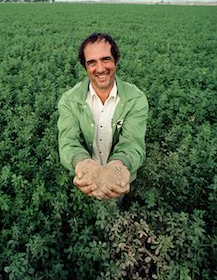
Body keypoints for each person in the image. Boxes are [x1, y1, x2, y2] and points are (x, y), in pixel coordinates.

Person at [57, 32, 148, 201]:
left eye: (105, 59)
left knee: (114, 206)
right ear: (85, 66)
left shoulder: (135, 99)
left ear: (116, 60)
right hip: (85, 179)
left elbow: (133, 143)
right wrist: (82, 162)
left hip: (118, 179)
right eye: (92, 62)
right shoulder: (70, 100)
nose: (100, 69)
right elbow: (68, 141)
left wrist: (118, 166)